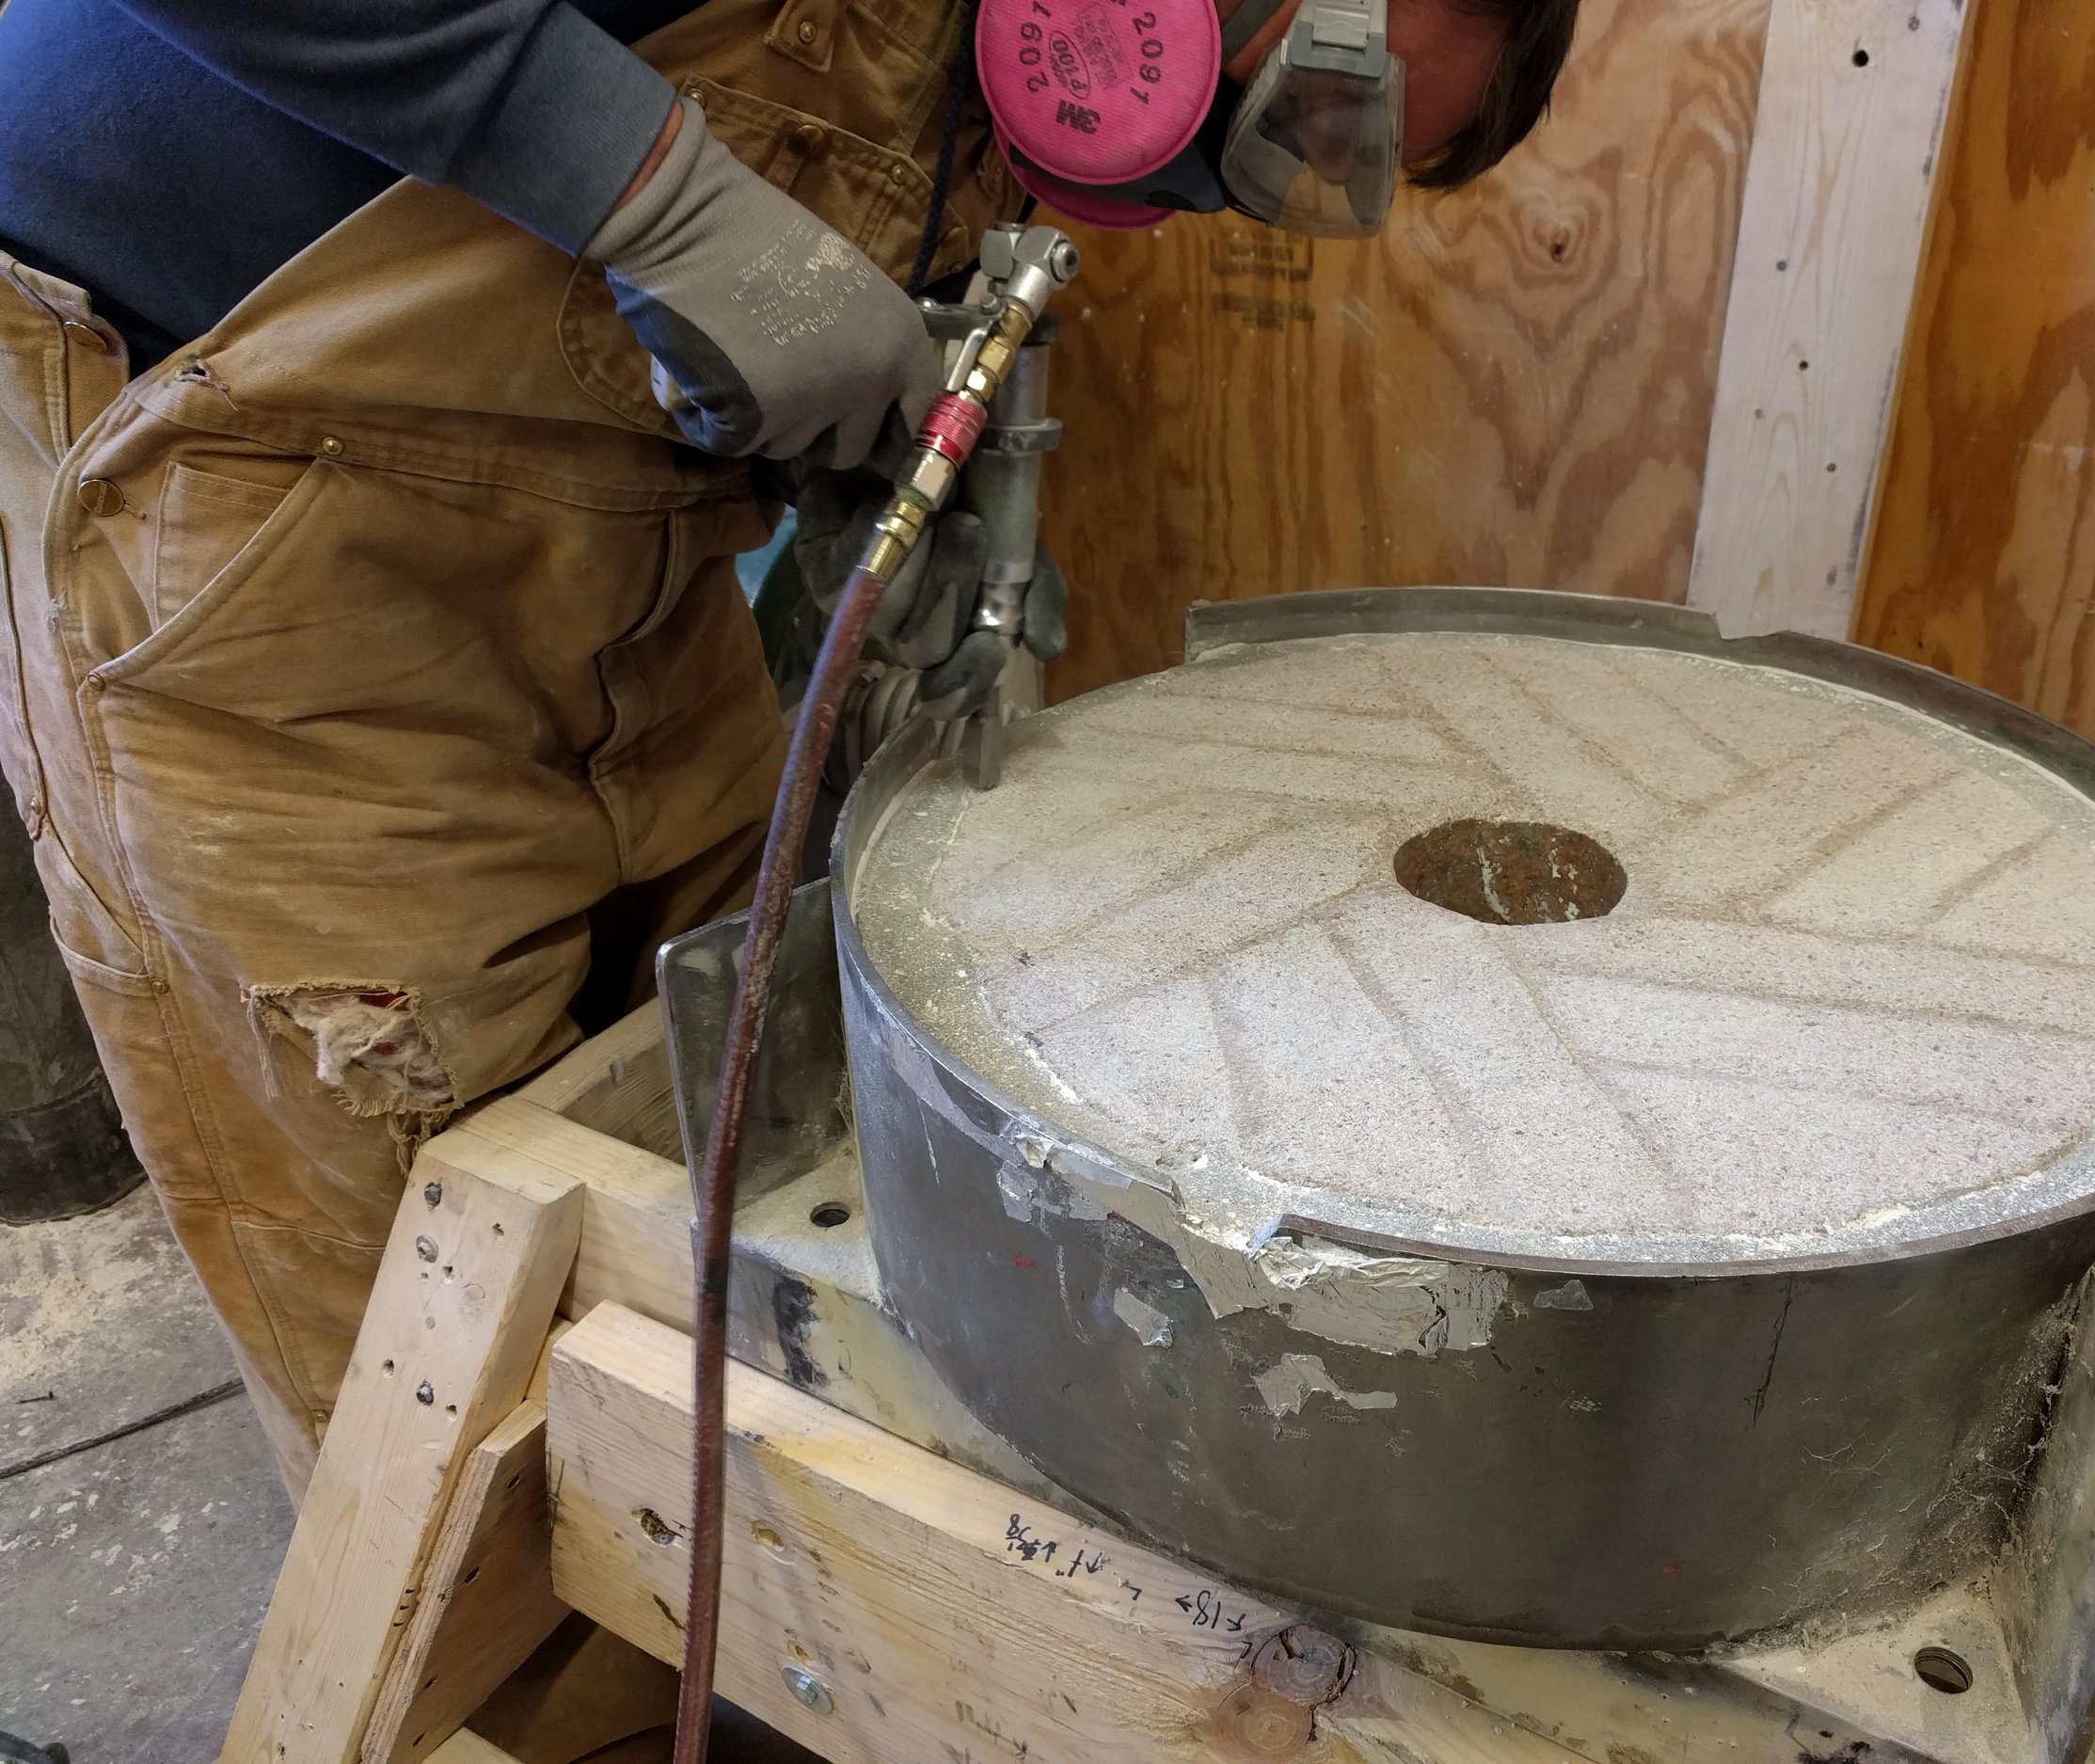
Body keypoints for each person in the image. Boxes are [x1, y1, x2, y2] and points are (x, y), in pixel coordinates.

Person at [0, 0, 1576, 1496]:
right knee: (442, 1330)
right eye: (1298, 91)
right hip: (226, 508)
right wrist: (656, 192)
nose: (1218, 153)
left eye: (1304, 157)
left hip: (600, 542)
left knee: (728, 1117)